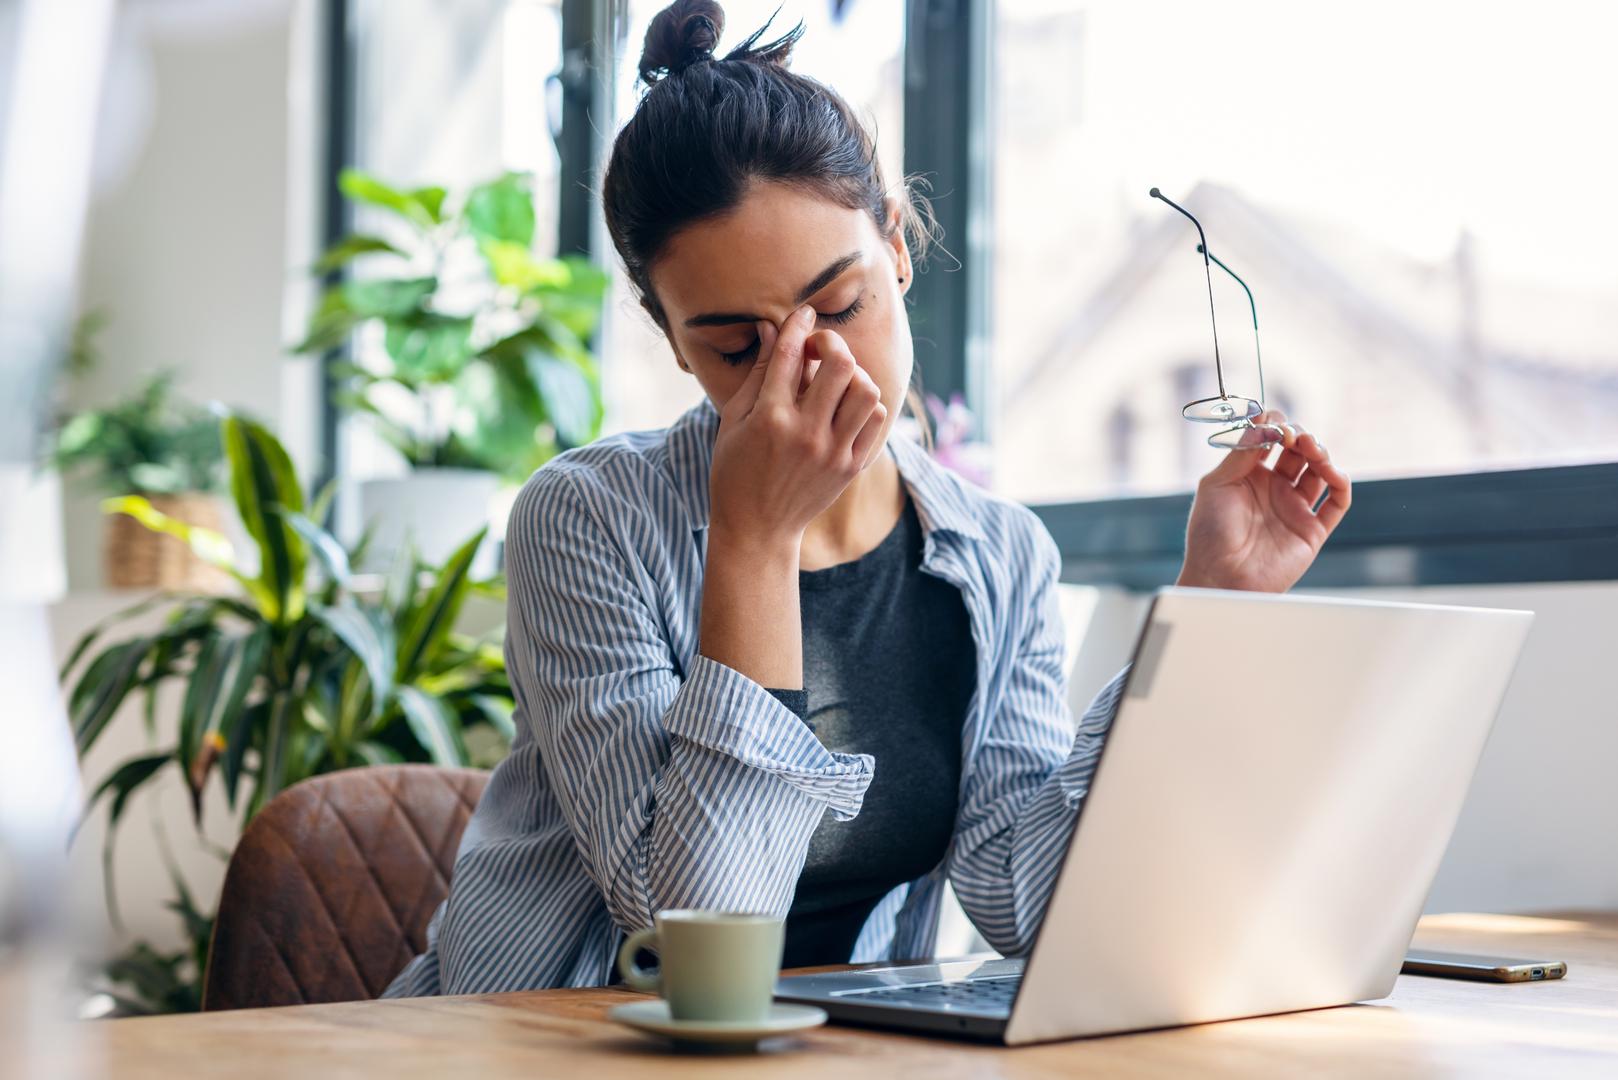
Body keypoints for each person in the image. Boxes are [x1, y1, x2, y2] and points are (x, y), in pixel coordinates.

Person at [384, 0, 1350, 997]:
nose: (814, 366)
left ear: (894, 242)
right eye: (735, 347)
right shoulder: (588, 520)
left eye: (840, 304)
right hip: (543, 1045)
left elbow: (1025, 898)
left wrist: (1208, 603)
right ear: (672, 339)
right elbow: (697, 941)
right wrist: (754, 544)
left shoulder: (999, 556)